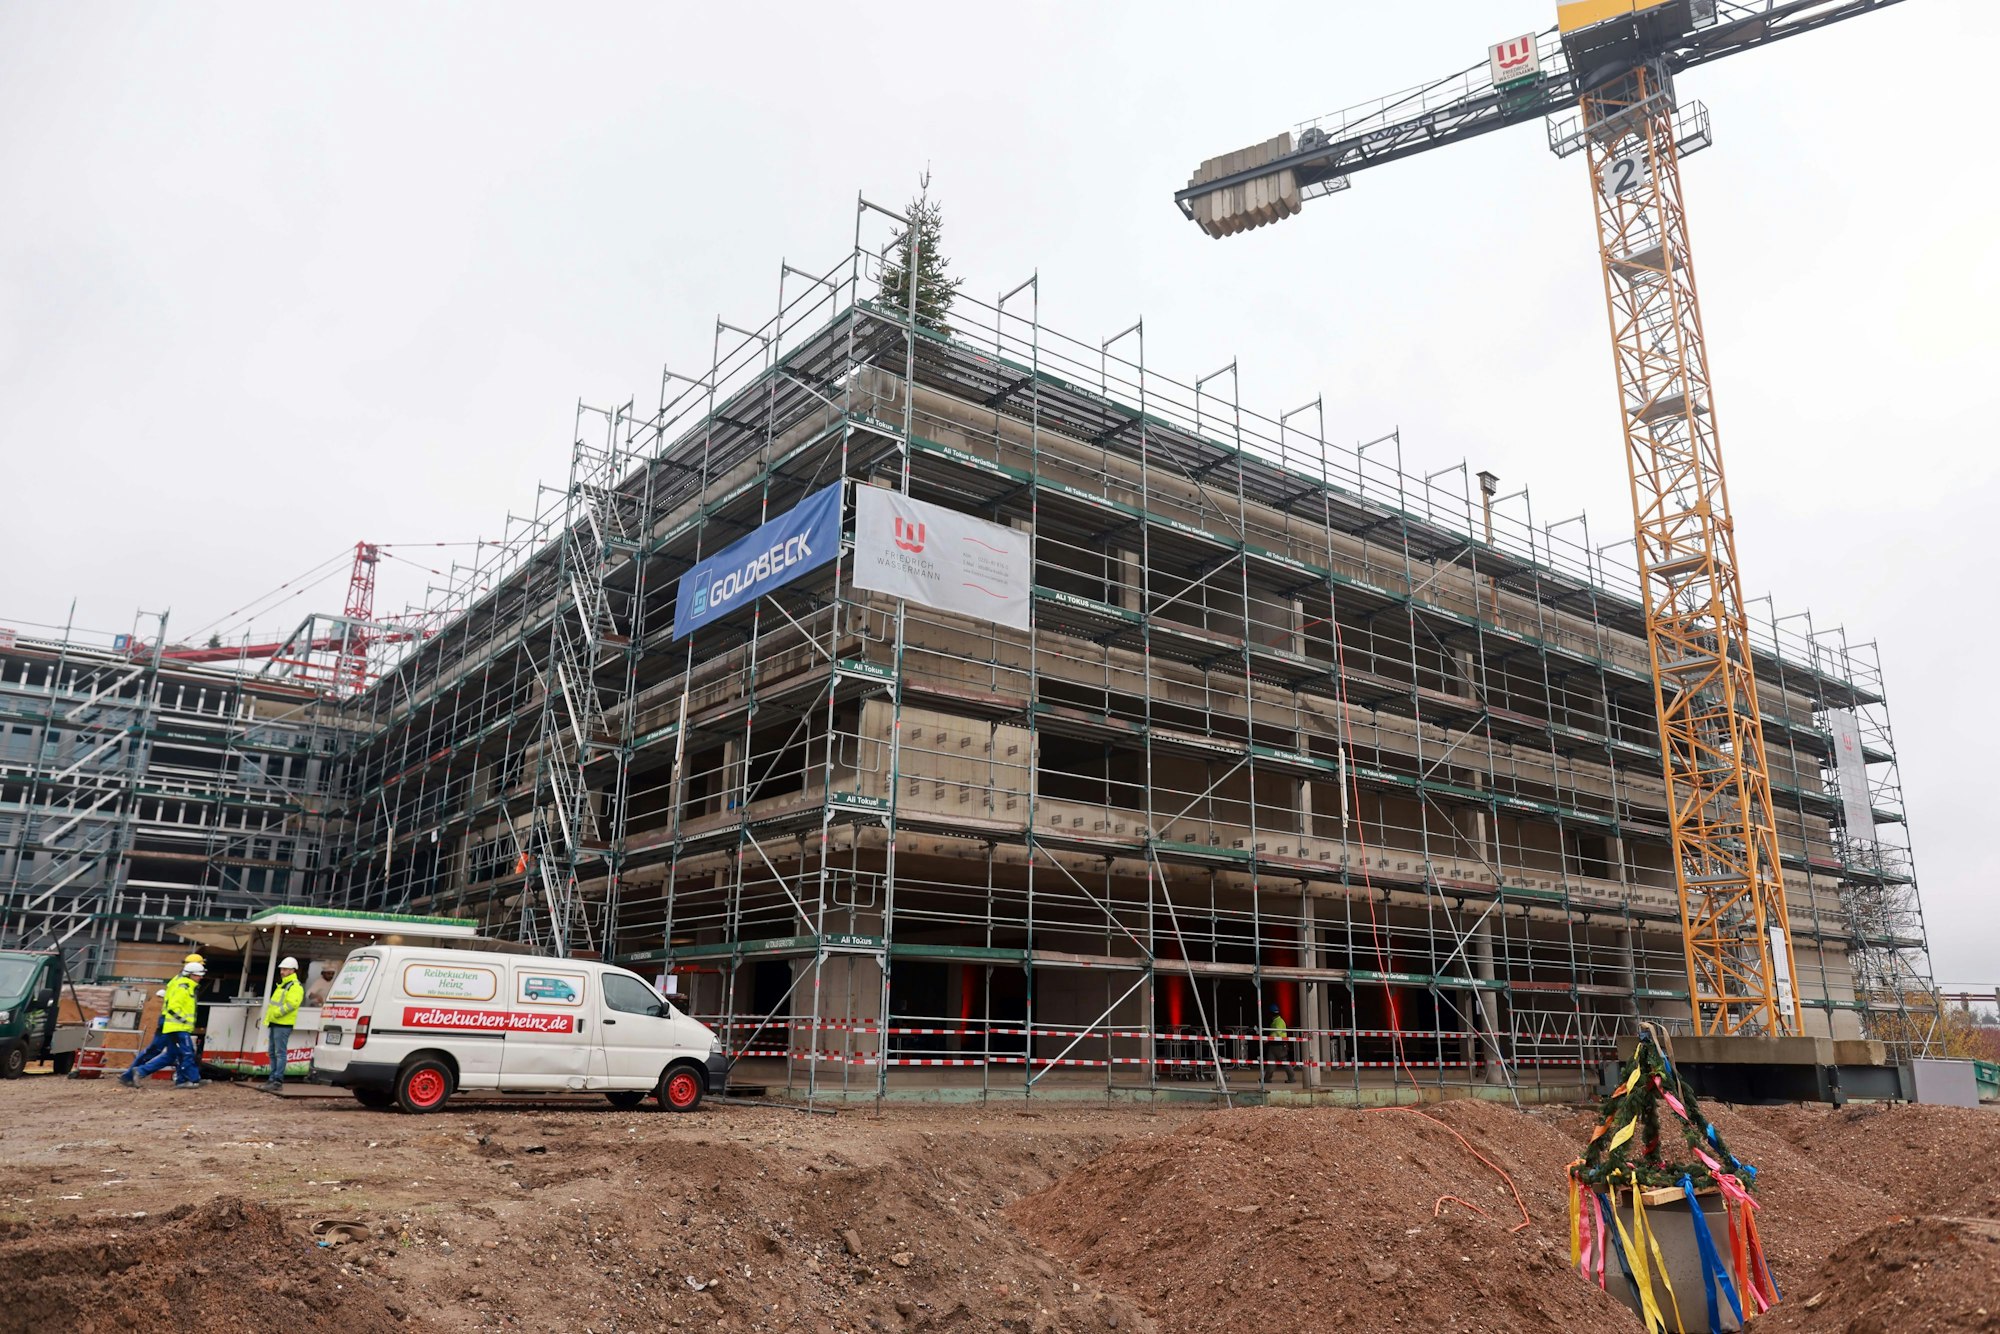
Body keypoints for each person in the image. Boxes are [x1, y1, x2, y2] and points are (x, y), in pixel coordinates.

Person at [120, 959, 204, 1088]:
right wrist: (184, 1021)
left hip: (173, 1024)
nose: (201, 977)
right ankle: (133, 1074)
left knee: (173, 1054)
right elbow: (174, 1007)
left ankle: (188, 1079)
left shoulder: (181, 983)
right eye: (199, 973)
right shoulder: (183, 986)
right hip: (175, 1025)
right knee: (169, 1051)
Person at [262, 957, 304, 1093]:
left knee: (279, 1053)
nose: (282, 971)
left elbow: (292, 1004)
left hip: (282, 1023)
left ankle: (277, 1080)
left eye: (285, 969)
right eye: (281, 969)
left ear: (292, 970)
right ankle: (273, 1078)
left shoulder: (294, 986)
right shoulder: (285, 985)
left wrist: (277, 1013)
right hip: (276, 1022)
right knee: (273, 1053)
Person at [1264, 1004, 1294, 1084]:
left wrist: (1267, 1039)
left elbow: (1277, 1032)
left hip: (1279, 1045)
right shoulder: (1276, 1021)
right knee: (1271, 1063)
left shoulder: (1279, 1021)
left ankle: (1291, 1078)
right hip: (1274, 1045)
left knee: (1284, 1062)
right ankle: (1266, 1079)